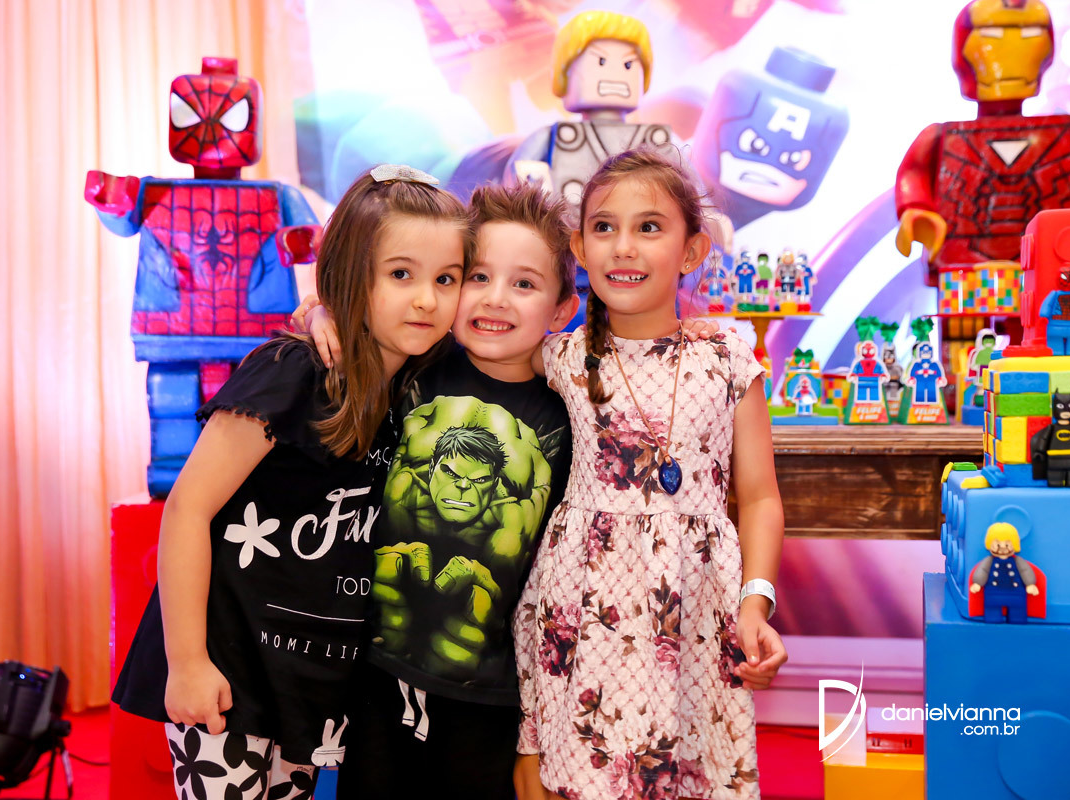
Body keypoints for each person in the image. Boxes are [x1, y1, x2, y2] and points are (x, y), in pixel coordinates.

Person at [111, 165, 472, 800]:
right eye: (401, 274)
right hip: (229, 669)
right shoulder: (293, 373)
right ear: (351, 274)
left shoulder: (421, 386)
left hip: (308, 679)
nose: (426, 299)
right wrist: (187, 662)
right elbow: (188, 509)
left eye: (446, 279)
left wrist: (320, 307)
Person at [513, 148, 787, 800]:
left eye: (649, 227)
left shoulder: (728, 357)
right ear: (579, 248)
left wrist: (756, 602)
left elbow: (759, 498)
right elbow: (463, 337)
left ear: (691, 251)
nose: (623, 247)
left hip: (695, 614)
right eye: (604, 227)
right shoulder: (557, 357)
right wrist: (323, 316)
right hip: (583, 612)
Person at [297, 183, 579, 798]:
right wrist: (322, 313)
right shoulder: (417, 363)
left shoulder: (568, 414)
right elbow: (360, 317)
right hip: (372, 673)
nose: (496, 298)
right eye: (477, 277)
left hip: (487, 693)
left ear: (562, 311)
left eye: (524, 284)